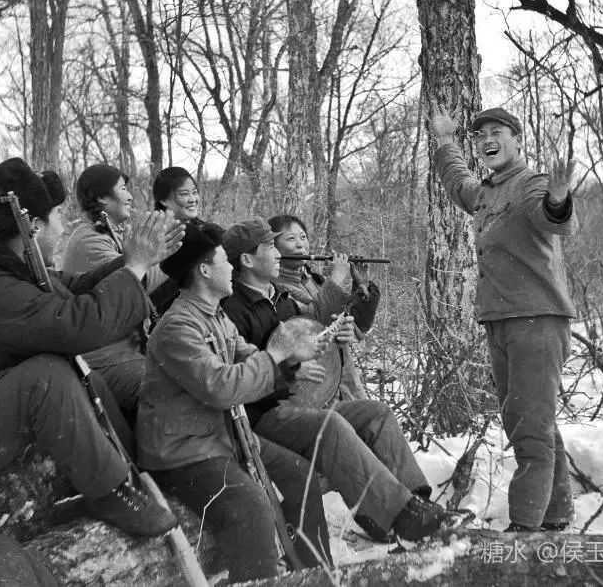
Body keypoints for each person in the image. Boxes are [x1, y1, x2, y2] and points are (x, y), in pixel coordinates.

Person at [0, 157, 181, 538]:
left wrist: (135, 262)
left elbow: (74, 287)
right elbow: (78, 325)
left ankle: (130, 474)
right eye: (58, 217)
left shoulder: (9, 266)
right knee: (47, 376)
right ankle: (108, 492)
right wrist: (134, 266)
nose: (64, 228)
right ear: (32, 226)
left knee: (89, 381)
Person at [220, 217, 446, 544]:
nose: (279, 254)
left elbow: (310, 333)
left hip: (300, 405)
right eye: (271, 246)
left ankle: (418, 503)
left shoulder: (281, 299)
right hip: (264, 415)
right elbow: (239, 376)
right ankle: (401, 515)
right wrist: (291, 372)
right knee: (330, 425)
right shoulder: (233, 310)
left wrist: (327, 340)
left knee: (375, 414)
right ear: (247, 259)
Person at [137, 222, 332, 582]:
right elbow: (221, 387)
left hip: (222, 437)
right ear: (205, 270)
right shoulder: (178, 327)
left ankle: (316, 573)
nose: (232, 268)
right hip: (184, 453)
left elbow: (246, 356)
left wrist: (291, 362)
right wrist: (275, 357)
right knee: (252, 507)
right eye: (226, 260)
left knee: (298, 474)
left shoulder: (215, 315)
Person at [431, 103, 577, 532]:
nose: (487, 140)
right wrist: (444, 141)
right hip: (501, 321)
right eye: (480, 136)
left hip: (536, 320)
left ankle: (524, 531)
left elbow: (553, 217)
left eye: (497, 132)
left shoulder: (530, 184)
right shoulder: (489, 190)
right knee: (532, 419)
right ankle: (556, 514)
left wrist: (558, 198)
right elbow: (459, 185)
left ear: (517, 140)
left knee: (528, 427)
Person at [62, 164, 178, 420]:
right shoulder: (88, 240)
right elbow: (136, 283)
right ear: (103, 197)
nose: (130, 197)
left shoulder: (111, 234)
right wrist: (173, 257)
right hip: (101, 357)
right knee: (173, 389)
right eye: (124, 189)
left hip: (126, 350)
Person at [269, 214, 380, 401]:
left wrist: (362, 286)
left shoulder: (315, 281)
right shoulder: (277, 289)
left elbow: (360, 325)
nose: (300, 245)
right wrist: (336, 279)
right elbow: (313, 325)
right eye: (291, 238)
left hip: (345, 380)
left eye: (303, 237)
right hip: (314, 388)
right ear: (273, 248)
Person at [149, 166, 203, 317]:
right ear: (164, 200)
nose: (193, 199)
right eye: (184, 194)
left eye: (194, 192)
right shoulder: (155, 237)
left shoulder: (204, 230)